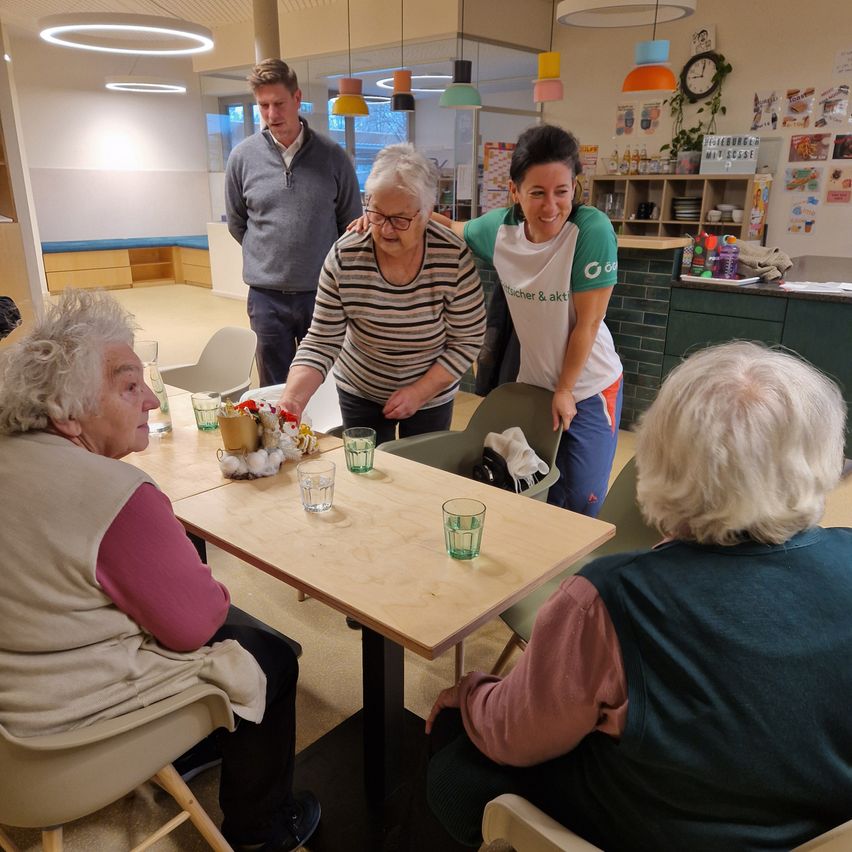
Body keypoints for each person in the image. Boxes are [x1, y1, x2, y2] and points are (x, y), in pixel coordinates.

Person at [424, 341, 852, 851]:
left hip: (645, 829)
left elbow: (513, 734)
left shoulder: (610, 597)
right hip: (817, 828)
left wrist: (470, 692)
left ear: (660, 456)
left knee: (454, 754)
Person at [0, 291, 319, 852]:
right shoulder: (115, 495)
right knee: (270, 655)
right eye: (128, 386)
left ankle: (195, 749)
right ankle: (262, 831)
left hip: (15, 709)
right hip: (58, 742)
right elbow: (195, 624)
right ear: (66, 412)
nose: (151, 398)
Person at [433, 124, 623, 516]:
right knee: (534, 487)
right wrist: (383, 217)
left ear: (575, 188)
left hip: (589, 386)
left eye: (561, 192)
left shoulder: (590, 230)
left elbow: (587, 324)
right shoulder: (499, 230)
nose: (550, 206)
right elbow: (449, 227)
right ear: (515, 191)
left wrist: (566, 388)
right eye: (537, 193)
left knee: (583, 498)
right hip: (535, 386)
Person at [279, 142, 486, 444]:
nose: (387, 230)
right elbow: (322, 339)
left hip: (431, 392)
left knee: (423, 474)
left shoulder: (452, 257)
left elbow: (467, 340)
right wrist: (293, 400)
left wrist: (420, 391)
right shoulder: (346, 256)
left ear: (428, 213)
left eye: (400, 219)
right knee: (366, 470)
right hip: (361, 385)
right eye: (377, 214)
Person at [225, 58, 362, 386]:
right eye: (263, 106)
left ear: (298, 98)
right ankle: (280, 439)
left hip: (323, 292)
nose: (272, 114)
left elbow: (351, 223)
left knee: (327, 379)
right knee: (274, 385)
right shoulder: (242, 158)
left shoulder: (333, 156)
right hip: (266, 296)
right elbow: (237, 221)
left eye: (279, 103)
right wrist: (270, 257)